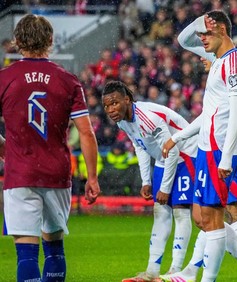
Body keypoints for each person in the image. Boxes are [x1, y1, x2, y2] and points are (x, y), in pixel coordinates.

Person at [161, 11, 237, 282]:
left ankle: (214, 276)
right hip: (207, 149)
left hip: (220, 150)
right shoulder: (219, 59)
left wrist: (226, 157)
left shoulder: (234, 63)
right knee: (202, 216)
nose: (201, 40)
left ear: (221, 29)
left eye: (206, 33)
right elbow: (183, 39)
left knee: (214, 216)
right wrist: (200, 21)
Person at [0, 14, 100, 282]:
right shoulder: (67, 80)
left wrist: (4, 150)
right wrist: (92, 176)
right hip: (57, 173)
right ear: (51, 41)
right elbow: (86, 132)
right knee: (54, 247)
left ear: (17, 41)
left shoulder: (4, 78)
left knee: (26, 253)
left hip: (20, 174)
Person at [101, 81, 197, 282]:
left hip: (187, 154)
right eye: (107, 106)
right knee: (160, 211)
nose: (110, 110)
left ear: (127, 100)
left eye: (115, 103)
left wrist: (164, 187)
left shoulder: (148, 118)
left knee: (180, 210)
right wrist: (146, 180)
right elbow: (141, 146)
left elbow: (174, 152)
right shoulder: (122, 120)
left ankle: (175, 271)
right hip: (165, 158)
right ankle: (152, 273)